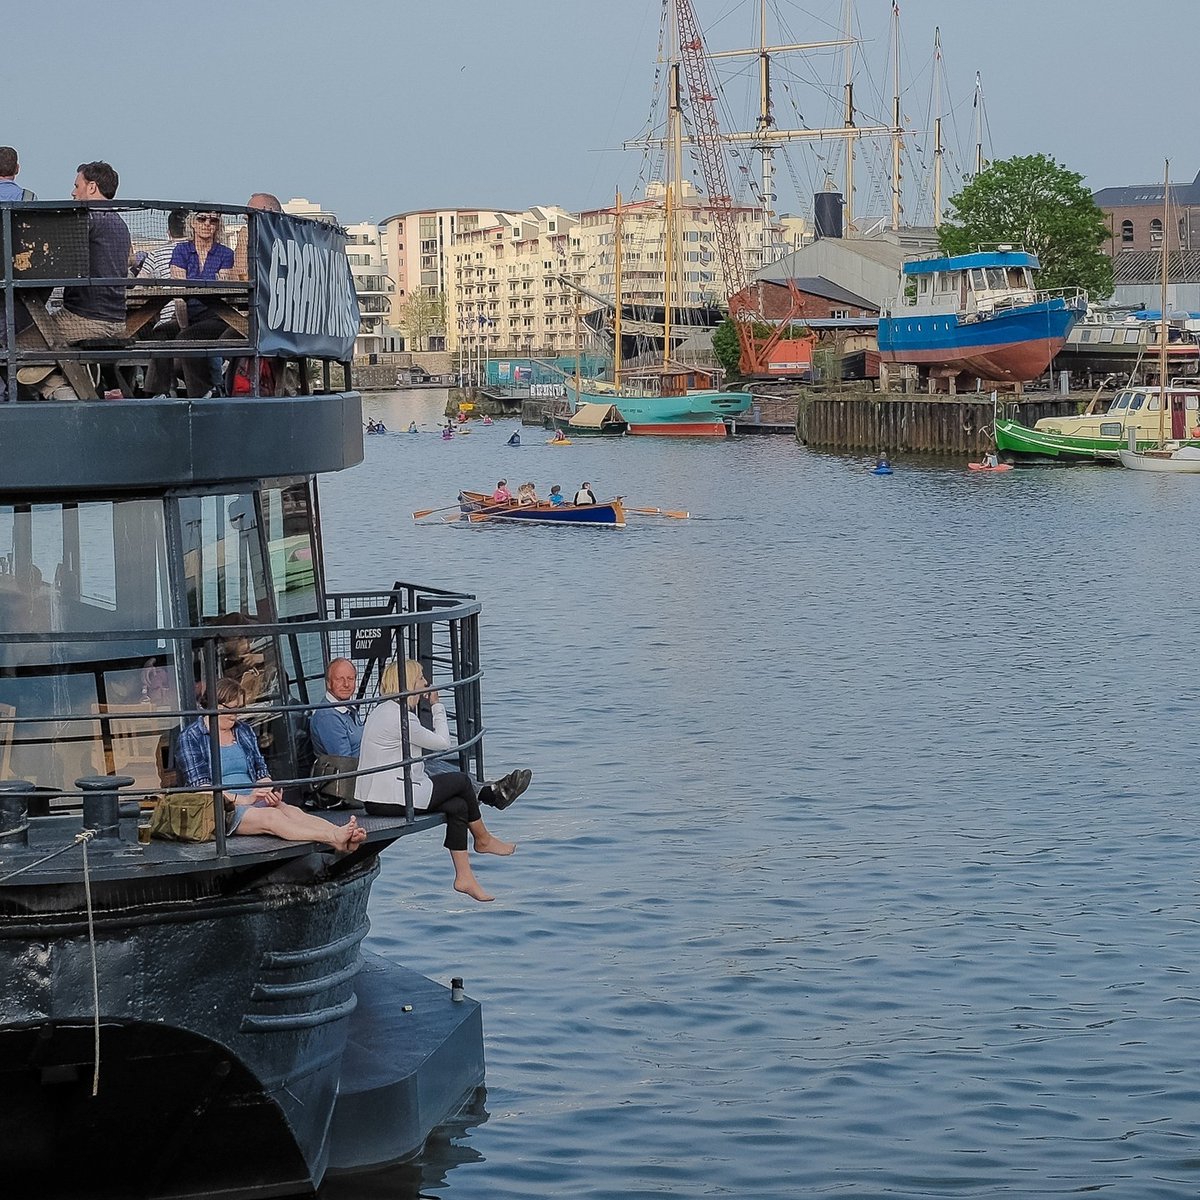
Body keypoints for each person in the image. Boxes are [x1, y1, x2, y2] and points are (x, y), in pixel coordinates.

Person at [355, 660, 532, 902]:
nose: (426, 683)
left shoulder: (384, 710)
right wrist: (437, 706)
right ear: (408, 683)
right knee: (461, 781)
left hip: (381, 797)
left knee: (458, 805)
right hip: (390, 799)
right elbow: (443, 743)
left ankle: (464, 877)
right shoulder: (400, 718)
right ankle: (483, 838)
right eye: (420, 678)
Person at [178, 677, 367, 852]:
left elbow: (261, 770)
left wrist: (268, 790)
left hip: (252, 796)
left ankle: (341, 833)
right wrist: (244, 800)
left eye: (239, 709)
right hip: (221, 807)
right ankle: (334, 838)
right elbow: (202, 789)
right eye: (231, 709)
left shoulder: (243, 731)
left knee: (292, 811)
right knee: (272, 817)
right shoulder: (191, 737)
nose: (235, 715)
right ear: (215, 705)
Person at [18, 162, 131, 400]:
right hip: (117, 319)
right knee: (43, 349)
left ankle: (64, 393)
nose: (73, 192)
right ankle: (81, 388)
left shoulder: (87, 219)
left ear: (92, 187)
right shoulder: (120, 223)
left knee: (14, 347)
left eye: (77, 185)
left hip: (85, 319)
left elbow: (54, 259)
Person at [171, 211, 236, 397]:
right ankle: (157, 391)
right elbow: (179, 288)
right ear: (192, 223)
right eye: (202, 219)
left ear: (217, 226)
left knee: (186, 340)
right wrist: (183, 323)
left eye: (213, 220)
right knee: (159, 334)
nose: (207, 223)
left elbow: (221, 289)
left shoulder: (225, 253)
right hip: (185, 313)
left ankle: (201, 393)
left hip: (216, 314)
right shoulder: (181, 250)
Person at [309, 658, 364, 758]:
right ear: (328, 683)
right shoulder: (328, 717)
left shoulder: (347, 707)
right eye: (339, 679)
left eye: (350, 678)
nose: (346, 684)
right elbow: (344, 761)